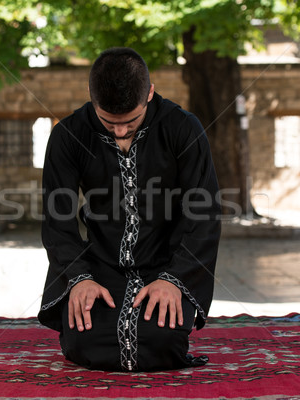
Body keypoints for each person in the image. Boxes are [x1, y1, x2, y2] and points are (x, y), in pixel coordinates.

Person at [37, 47, 221, 372]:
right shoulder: (69, 135)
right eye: (108, 122)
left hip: (166, 265)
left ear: (149, 93)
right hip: (98, 267)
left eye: (130, 121)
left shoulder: (183, 129)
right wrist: (78, 278)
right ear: (92, 100)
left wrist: (174, 279)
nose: (120, 132)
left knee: (160, 343)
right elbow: (57, 219)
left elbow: (203, 215)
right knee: (85, 342)